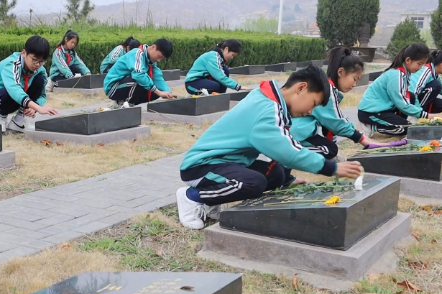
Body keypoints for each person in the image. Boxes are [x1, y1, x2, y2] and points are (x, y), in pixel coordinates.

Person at [176, 65, 363, 230]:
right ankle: (192, 197)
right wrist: (332, 168)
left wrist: (288, 179)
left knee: (277, 175)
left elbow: (284, 145)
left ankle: (210, 203)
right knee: (253, 183)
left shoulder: (271, 101)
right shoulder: (267, 110)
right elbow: (287, 151)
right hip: (201, 167)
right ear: (301, 88)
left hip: (226, 163)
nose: (309, 111)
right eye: (313, 104)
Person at [291, 48, 387, 160]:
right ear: (340, 72)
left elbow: (330, 125)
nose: (354, 84)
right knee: (330, 150)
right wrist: (361, 139)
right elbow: (337, 122)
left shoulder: (328, 87)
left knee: (331, 149)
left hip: (300, 132)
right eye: (355, 79)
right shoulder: (326, 90)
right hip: (297, 134)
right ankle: (290, 150)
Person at [358, 43, 441, 136]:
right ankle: (371, 126)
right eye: (419, 64)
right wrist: (427, 115)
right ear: (408, 60)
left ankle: (392, 122)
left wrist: (419, 113)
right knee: (407, 130)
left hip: (386, 110)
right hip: (371, 112)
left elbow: (410, 96)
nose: (420, 67)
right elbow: (403, 105)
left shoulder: (405, 73)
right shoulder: (396, 75)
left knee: (411, 100)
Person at [0, 35, 59, 132]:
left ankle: (18, 121)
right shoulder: (12, 64)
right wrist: (38, 108)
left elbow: (42, 94)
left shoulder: (40, 70)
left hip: (15, 100)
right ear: (24, 53)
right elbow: (14, 89)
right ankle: (1, 118)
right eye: (34, 59)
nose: (37, 65)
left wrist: (34, 107)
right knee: (10, 91)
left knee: (39, 80)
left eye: (41, 62)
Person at [103, 38, 177, 106]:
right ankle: (125, 105)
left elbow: (157, 77)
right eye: (159, 56)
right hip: (113, 87)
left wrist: (168, 93)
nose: (159, 60)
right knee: (140, 80)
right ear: (153, 47)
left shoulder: (151, 62)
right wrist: (159, 92)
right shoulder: (137, 53)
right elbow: (138, 75)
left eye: (162, 59)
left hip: (127, 84)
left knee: (155, 91)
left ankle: (126, 103)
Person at [410, 49, 442, 114]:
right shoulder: (426, 71)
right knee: (436, 85)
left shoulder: (434, 74)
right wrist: (417, 111)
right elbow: (413, 92)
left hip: (418, 99)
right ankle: (418, 114)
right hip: (408, 100)